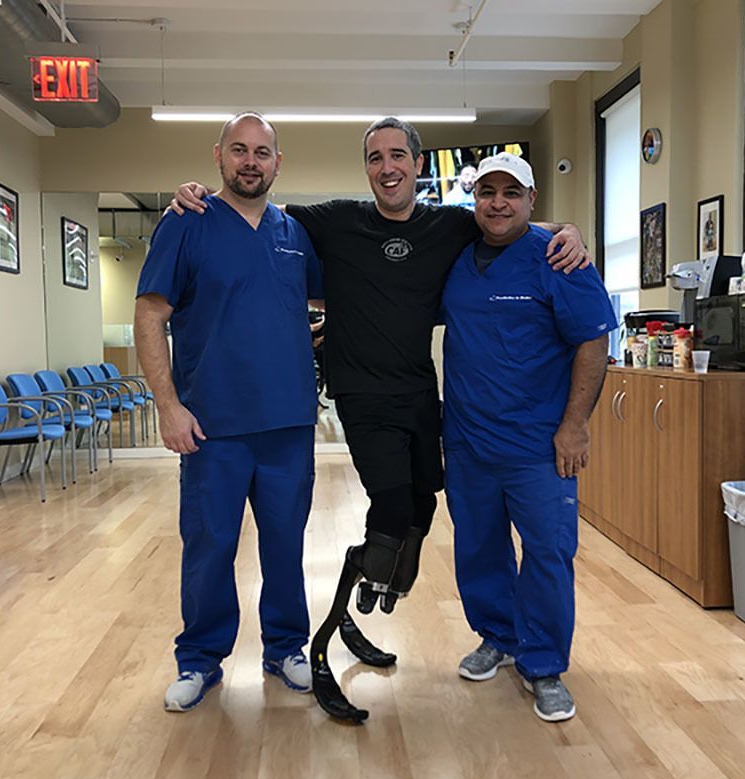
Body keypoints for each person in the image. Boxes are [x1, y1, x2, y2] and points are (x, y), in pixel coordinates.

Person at [170, 117, 590, 723]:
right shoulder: (335, 220)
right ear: (366, 167)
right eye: (375, 157)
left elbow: (511, 224)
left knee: (422, 510)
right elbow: (253, 208)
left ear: (418, 165)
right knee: (393, 512)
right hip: (365, 400)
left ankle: (386, 589)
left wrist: (567, 229)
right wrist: (199, 197)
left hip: (421, 396)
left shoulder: (450, 224)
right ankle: (342, 610)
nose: (387, 167)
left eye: (398, 155)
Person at [134, 112, 324, 712]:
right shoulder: (186, 224)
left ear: (277, 162)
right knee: (210, 546)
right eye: (239, 150)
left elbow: (317, 304)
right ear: (218, 156)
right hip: (213, 426)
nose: (250, 161)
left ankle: (286, 647)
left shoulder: (293, 232)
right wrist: (168, 406)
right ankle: (200, 660)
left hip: (287, 424)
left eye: (262, 152)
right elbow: (150, 315)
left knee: (286, 546)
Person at [439, 153, 617, 722]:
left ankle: (543, 665)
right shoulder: (458, 259)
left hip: (539, 446)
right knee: (479, 546)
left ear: (531, 200)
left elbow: (593, 342)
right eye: (486, 192)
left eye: (510, 193)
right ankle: (499, 636)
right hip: (468, 441)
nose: (497, 202)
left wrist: (575, 425)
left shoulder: (560, 259)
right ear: (473, 200)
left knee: (546, 553)